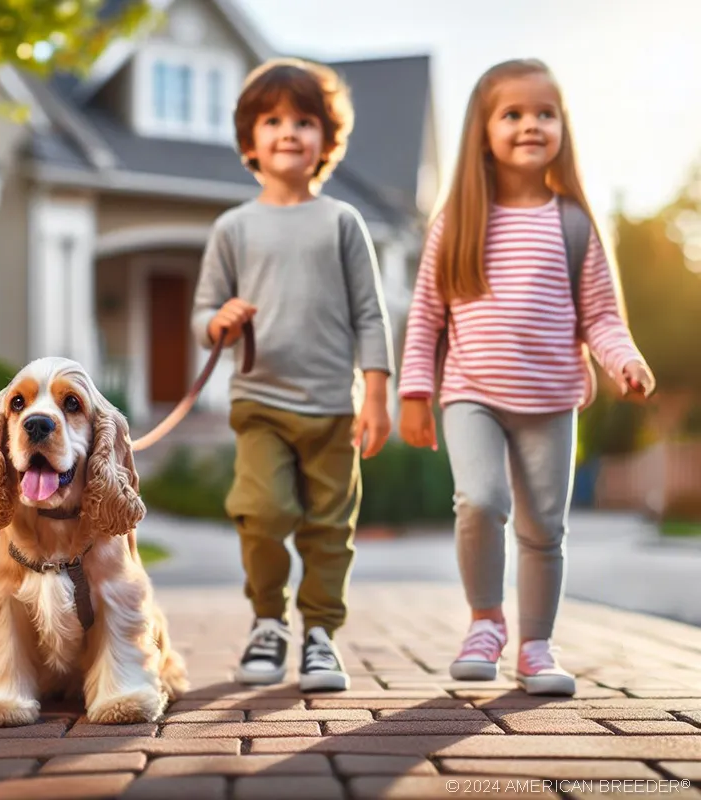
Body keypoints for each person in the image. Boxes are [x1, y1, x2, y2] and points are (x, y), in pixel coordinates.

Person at [397, 59, 655, 696]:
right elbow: (426, 314)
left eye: (545, 113)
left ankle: (537, 645)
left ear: (563, 126)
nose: (530, 124)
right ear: (483, 131)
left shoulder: (573, 223)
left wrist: (625, 359)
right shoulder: (456, 220)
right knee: (480, 501)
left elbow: (600, 316)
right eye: (512, 114)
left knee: (545, 527)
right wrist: (414, 392)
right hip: (471, 393)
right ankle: (486, 622)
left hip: (552, 399)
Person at [191, 58, 394, 692]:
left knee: (330, 527)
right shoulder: (233, 227)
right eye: (272, 120)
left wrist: (378, 395)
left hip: (335, 405)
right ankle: (267, 622)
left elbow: (371, 312)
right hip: (260, 402)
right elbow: (204, 313)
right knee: (261, 511)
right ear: (249, 141)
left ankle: (320, 636)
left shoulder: (342, 222)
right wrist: (219, 320)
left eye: (304, 121)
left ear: (325, 141)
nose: (288, 132)